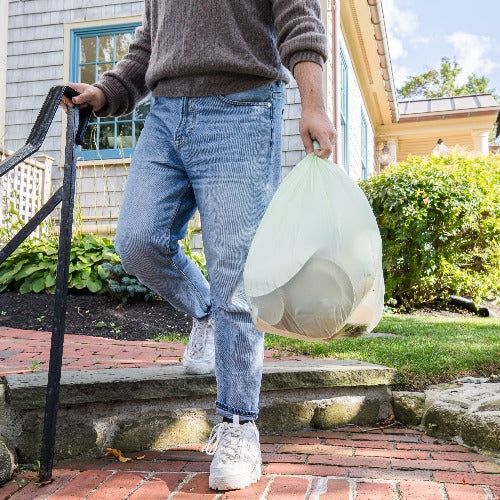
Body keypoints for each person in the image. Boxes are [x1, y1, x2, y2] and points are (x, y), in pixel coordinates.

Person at [61, 0, 335, 491]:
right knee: (139, 241)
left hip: (243, 108)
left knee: (236, 275)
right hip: (166, 115)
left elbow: (300, 18)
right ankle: (203, 312)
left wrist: (313, 104)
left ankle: (237, 426)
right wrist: (105, 91)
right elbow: (150, 45)